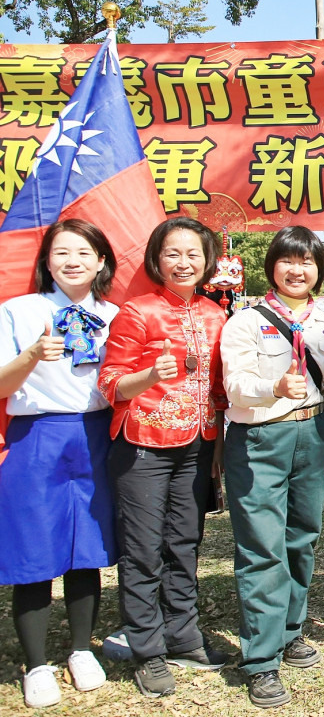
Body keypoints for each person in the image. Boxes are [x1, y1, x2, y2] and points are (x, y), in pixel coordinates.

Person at [98, 216, 230, 699]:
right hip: (142, 447)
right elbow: (110, 383)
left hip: (197, 446)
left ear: (207, 260)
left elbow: (219, 392)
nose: (183, 262)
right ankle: (147, 649)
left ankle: (183, 635)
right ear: (157, 260)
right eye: (173, 253)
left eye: (193, 253)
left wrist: (217, 450)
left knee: (185, 543)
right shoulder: (136, 313)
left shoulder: (217, 315)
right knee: (143, 549)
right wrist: (151, 374)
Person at [219, 227, 324, 708]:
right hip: (259, 438)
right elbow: (235, 386)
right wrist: (273, 389)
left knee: (302, 537)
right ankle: (261, 659)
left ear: (319, 269)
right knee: (261, 548)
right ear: (273, 265)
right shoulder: (245, 321)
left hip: (311, 435)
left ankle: (291, 630)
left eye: (308, 262)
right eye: (288, 261)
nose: (298, 270)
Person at [0, 220, 119, 708]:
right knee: (34, 551)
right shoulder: (19, 311)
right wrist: (32, 355)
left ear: (101, 262)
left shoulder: (113, 314)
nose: (73, 260)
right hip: (38, 435)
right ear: (46, 260)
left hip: (95, 434)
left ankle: (79, 650)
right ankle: (36, 663)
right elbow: (2, 385)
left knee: (86, 547)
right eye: (62, 251)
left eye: (84, 252)